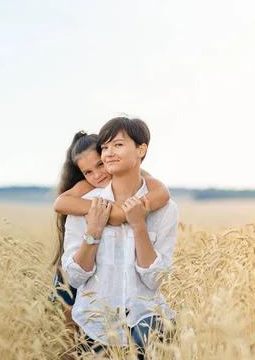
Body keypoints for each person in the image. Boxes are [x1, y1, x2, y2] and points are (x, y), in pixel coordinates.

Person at [61, 116, 178, 358]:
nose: (108, 153)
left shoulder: (164, 208)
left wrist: (138, 225)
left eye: (118, 145)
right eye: (104, 147)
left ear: (141, 150)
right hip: (95, 327)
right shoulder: (85, 206)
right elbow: (73, 276)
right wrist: (93, 231)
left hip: (146, 321)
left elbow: (155, 279)